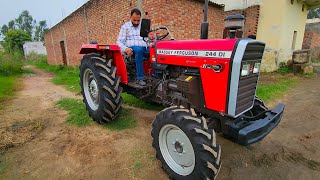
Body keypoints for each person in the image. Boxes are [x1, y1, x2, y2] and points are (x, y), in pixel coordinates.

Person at [117, 8, 149, 86]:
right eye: (134, 20)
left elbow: (147, 39)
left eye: (138, 20)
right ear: (130, 17)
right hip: (133, 48)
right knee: (139, 50)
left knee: (155, 51)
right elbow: (119, 42)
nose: (136, 22)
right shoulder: (125, 27)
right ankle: (140, 78)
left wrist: (151, 39)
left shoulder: (143, 25)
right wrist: (126, 48)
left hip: (144, 47)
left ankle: (156, 75)